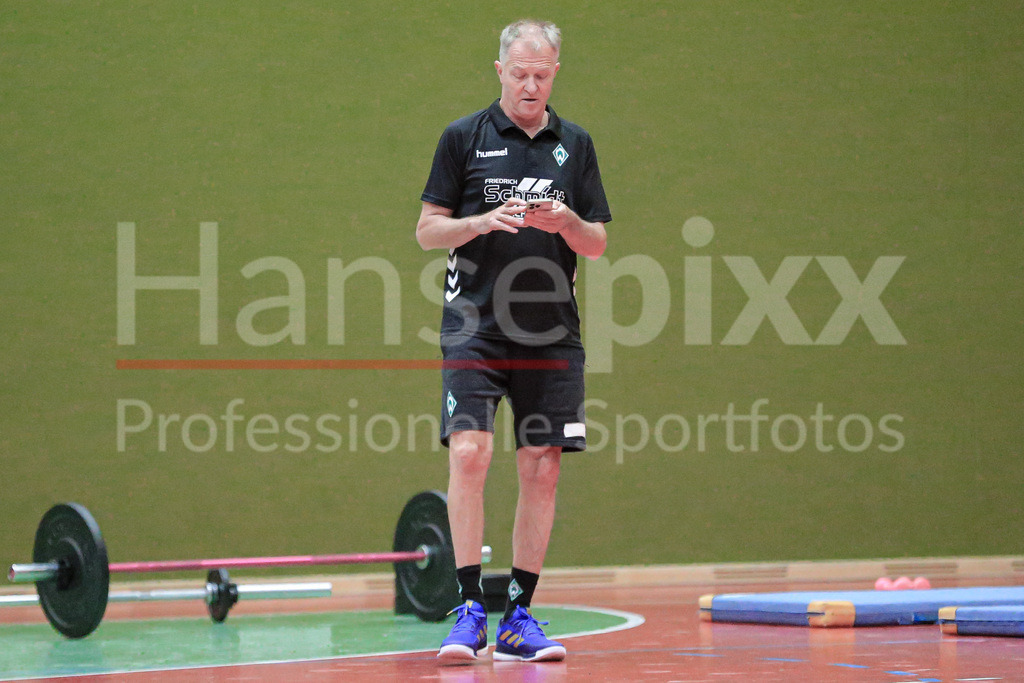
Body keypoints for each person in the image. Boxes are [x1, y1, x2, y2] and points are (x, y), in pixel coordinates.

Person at [416, 19, 611, 664]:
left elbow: (597, 242)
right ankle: (469, 608)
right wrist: (478, 221)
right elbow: (426, 232)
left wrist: (569, 220)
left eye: (543, 73)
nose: (531, 84)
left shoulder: (575, 145)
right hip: (473, 325)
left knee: (542, 466)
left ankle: (519, 617)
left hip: (553, 332)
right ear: (499, 69)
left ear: (556, 71)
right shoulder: (462, 138)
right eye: (520, 72)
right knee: (470, 452)